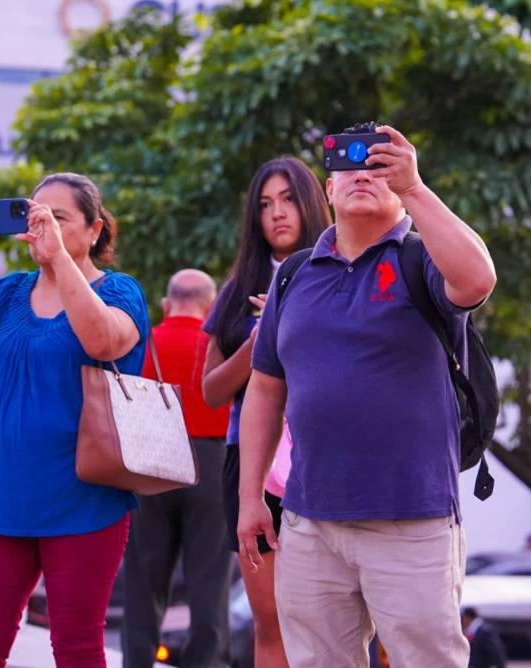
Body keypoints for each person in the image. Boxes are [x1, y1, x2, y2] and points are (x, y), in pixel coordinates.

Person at [239, 123, 497, 668]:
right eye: (346, 167)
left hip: (412, 518)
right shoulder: (294, 275)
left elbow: (476, 280)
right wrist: (250, 500)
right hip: (310, 521)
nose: (361, 174)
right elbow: (265, 388)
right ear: (328, 191)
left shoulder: (420, 258)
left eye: (377, 166)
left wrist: (415, 189)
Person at [0, 172, 150, 667]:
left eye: (58, 218)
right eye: (35, 217)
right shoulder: (7, 293)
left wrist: (61, 263)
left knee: (75, 646)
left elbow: (103, 342)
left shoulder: (121, 291)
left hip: (83, 499)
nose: (41, 228)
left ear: (95, 231)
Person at [201, 156, 331, 667]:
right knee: (270, 618)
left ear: (311, 203)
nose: (277, 213)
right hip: (250, 461)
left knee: (335, 615)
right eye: (264, 204)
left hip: (324, 455)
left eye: (288, 199)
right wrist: (259, 340)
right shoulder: (235, 291)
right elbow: (210, 391)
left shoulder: (342, 273)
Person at [121, 269, 233, 668]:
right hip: (211, 463)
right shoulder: (219, 345)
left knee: (143, 581)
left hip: (151, 464)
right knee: (210, 579)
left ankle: (137, 661)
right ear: (211, 304)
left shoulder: (142, 343)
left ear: (167, 304)